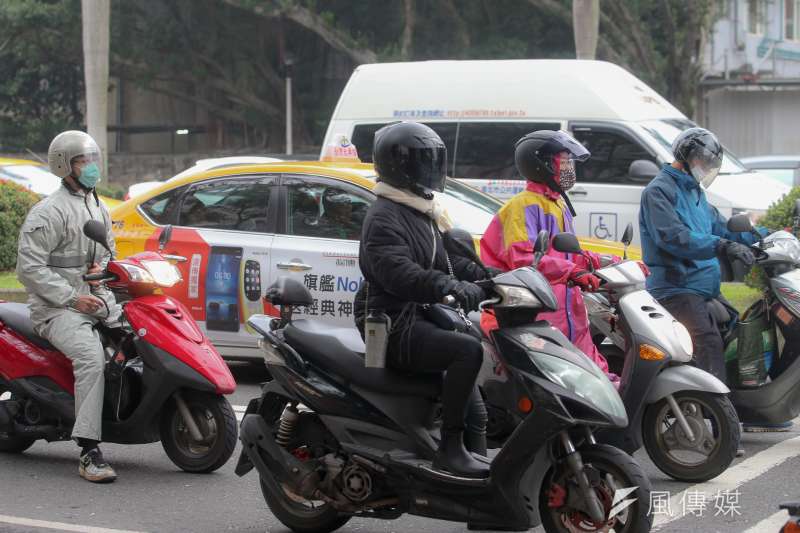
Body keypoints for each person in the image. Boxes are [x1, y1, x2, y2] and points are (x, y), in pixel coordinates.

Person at [354, 121, 490, 478]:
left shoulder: (422, 209)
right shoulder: (384, 216)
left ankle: (484, 486)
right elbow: (401, 274)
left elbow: (448, 258)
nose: (430, 169)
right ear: (399, 165)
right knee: (467, 352)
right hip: (392, 319)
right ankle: (449, 450)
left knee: (474, 357)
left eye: (434, 160)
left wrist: (485, 275)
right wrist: (450, 286)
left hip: (421, 311)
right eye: (421, 161)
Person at [480, 130, 633, 381]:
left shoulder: (557, 204)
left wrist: (614, 264)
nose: (569, 168)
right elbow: (526, 260)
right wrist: (574, 272)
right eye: (564, 161)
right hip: (538, 311)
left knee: (596, 377)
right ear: (541, 163)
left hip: (569, 309)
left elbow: (569, 254)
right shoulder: (523, 206)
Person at [16, 130, 122, 483]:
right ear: (64, 166)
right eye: (82, 161)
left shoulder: (99, 206)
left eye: (93, 159)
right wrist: (73, 297)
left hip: (97, 300)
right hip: (57, 309)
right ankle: (89, 451)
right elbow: (29, 269)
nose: (91, 167)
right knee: (92, 359)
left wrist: (103, 271)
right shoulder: (48, 212)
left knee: (144, 335)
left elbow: (111, 255)